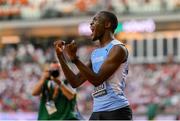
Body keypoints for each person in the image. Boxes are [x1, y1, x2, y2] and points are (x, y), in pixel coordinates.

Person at [54, 11, 132, 120]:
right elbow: (75, 82)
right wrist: (60, 56)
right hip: (97, 111)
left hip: (117, 111)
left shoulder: (117, 48)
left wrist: (74, 59)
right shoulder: (95, 54)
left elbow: (97, 80)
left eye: (95, 20)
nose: (90, 25)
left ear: (107, 24)